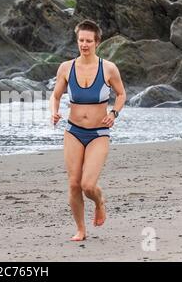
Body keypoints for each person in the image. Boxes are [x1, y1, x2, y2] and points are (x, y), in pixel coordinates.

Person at [49, 19, 126, 241]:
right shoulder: (66, 68)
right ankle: (81, 229)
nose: (84, 44)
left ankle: (99, 201)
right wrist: (54, 112)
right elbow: (55, 95)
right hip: (73, 131)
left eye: (89, 41)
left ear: (97, 42)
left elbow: (121, 94)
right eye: (81, 40)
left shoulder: (108, 68)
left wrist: (113, 114)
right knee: (74, 183)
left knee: (88, 185)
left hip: (98, 133)